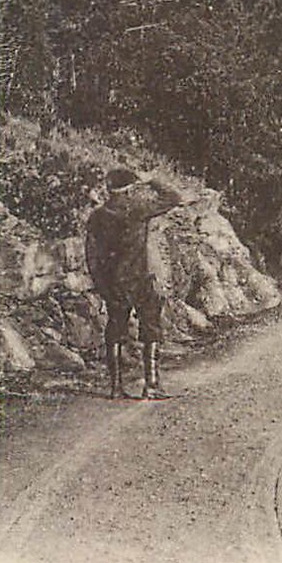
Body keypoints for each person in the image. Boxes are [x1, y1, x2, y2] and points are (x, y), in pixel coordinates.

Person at [85, 167, 188, 399]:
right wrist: (151, 180)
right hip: (140, 279)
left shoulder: (97, 216)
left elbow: (91, 255)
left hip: (113, 283)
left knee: (115, 331)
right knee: (151, 328)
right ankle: (151, 385)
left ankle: (115, 387)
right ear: (130, 189)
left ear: (109, 189)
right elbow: (173, 198)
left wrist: (101, 285)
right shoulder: (137, 209)